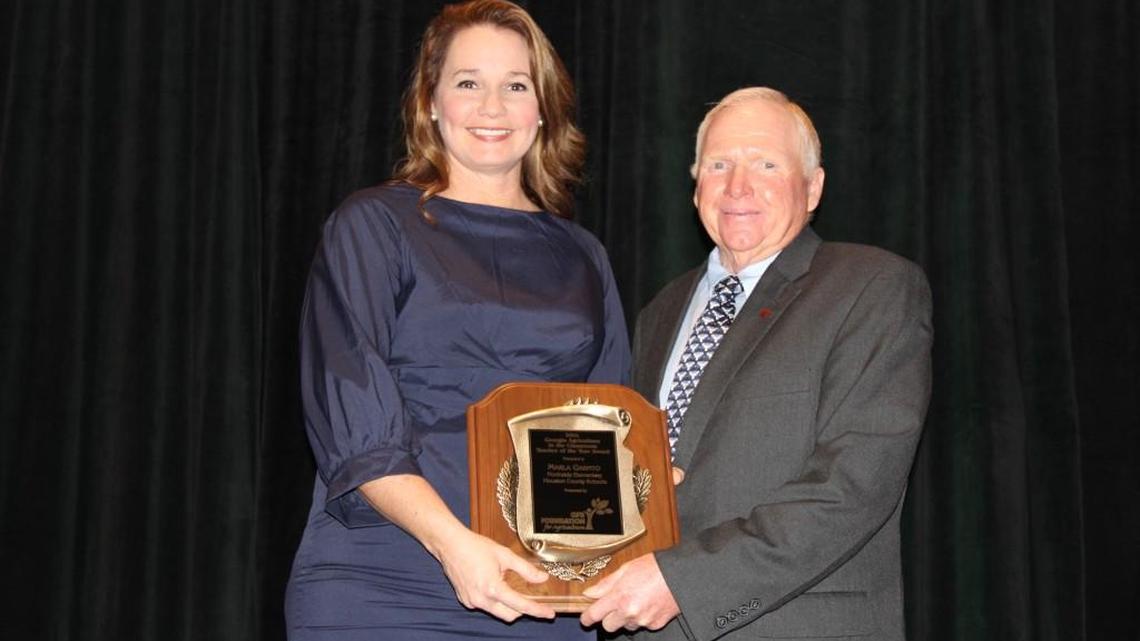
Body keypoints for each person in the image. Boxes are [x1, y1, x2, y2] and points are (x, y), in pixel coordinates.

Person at [284, 1, 629, 639]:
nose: (492, 107)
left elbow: (609, 425)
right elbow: (355, 422)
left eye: (516, 86)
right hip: (386, 577)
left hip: (545, 593)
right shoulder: (373, 225)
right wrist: (452, 544)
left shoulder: (584, 257)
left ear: (544, 108)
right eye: (468, 83)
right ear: (431, 103)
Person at [579, 87, 932, 640]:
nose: (737, 186)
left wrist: (685, 582)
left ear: (812, 188)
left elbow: (854, 483)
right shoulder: (660, 312)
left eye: (766, 163)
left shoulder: (870, 287)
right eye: (719, 164)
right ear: (696, 186)